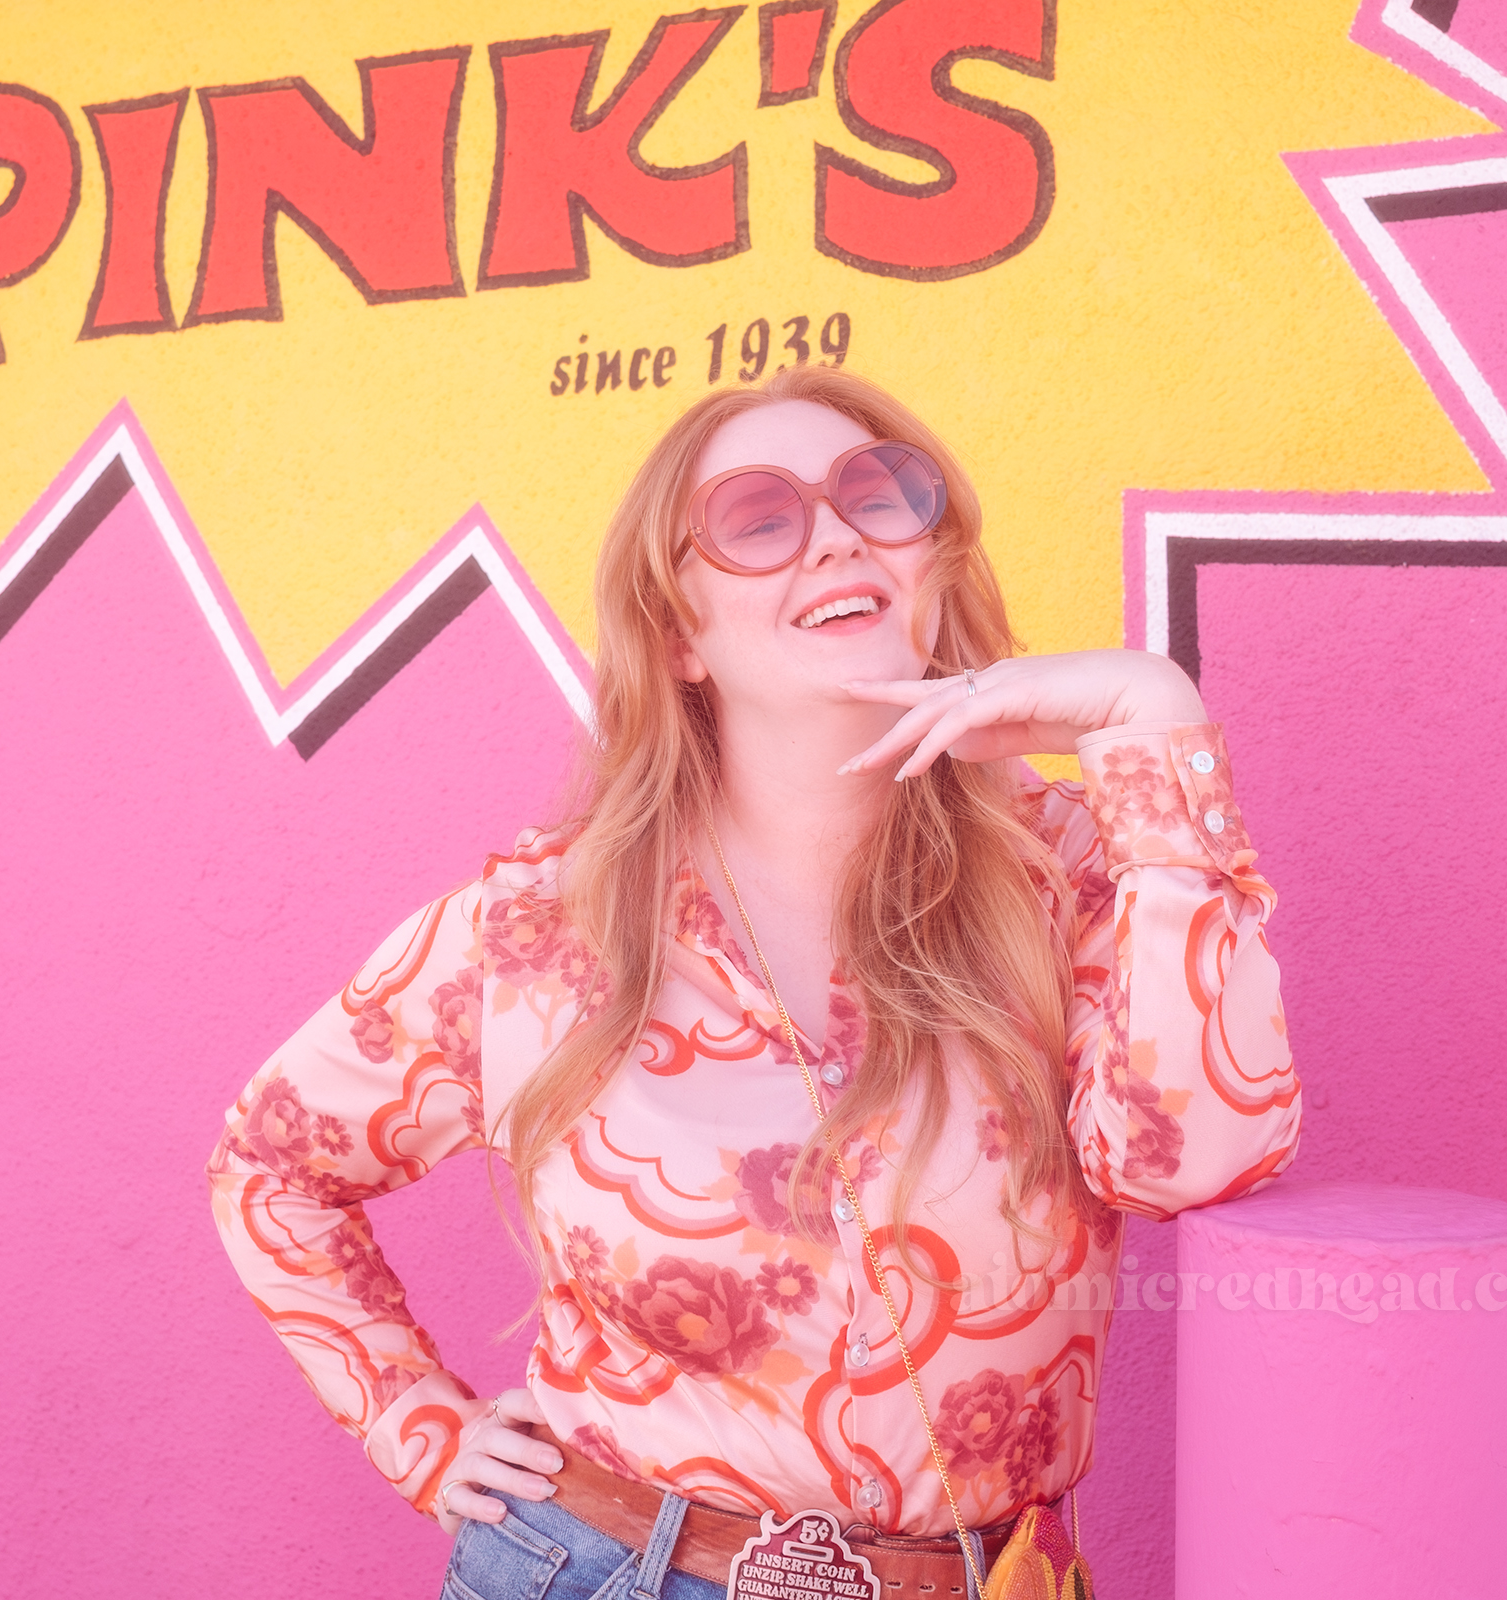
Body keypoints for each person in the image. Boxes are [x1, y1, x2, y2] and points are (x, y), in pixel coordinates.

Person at [207, 367, 1298, 1599]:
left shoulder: (1069, 870)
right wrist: (417, 1422)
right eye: (760, 518)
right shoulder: (537, 931)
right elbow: (269, 1166)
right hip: (614, 1570)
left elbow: (1195, 1155)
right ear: (680, 634)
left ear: (930, 565)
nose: (835, 531)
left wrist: (1145, 716)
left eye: (881, 495)